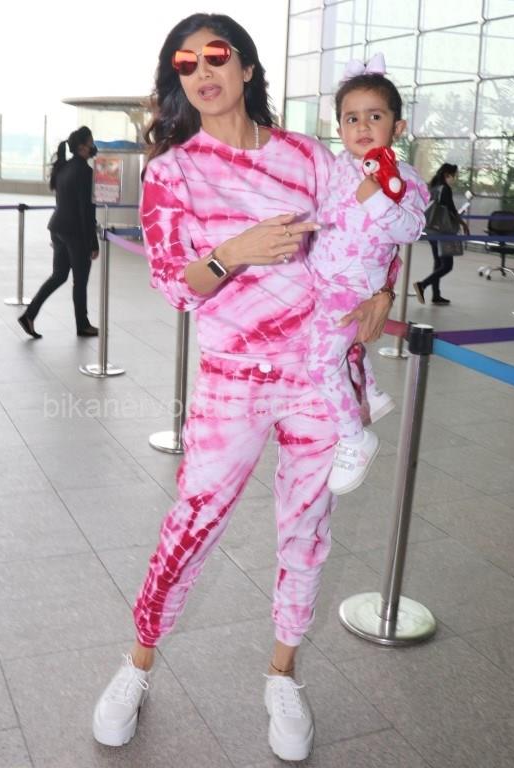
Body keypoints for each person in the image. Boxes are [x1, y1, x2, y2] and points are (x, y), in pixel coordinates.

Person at [91, 14, 395, 763]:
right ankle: (137, 662)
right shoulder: (174, 172)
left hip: (316, 376)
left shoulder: (308, 158)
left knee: (306, 528)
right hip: (232, 380)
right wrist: (235, 252)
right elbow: (173, 285)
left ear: (247, 67)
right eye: (185, 62)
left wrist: (384, 292)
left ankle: (282, 675)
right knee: (192, 522)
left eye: (216, 55)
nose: (202, 71)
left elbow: (373, 225)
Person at [306, 55, 428, 495]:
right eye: (351, 118)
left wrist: (375, 199)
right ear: (339, 128)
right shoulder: (339, 165)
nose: (362, 126)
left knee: (320, 363)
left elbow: (411, 230)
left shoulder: (403, 178)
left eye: (374, 116)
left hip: (355, 284)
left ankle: (355, 438)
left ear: (398, 126)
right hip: (323, 276)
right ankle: (371, 392)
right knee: (338, 348)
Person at [18, 126, 100, 339]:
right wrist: (93, 242)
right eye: (90, 142)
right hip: (74, 232)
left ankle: (29, 315)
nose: (93, 146)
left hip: (58, 228)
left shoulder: (64, 167)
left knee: (59, 276)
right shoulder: (84, 172)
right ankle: (83, 325)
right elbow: (85, 210)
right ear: (82, 147)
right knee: (79, 280)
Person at [413, 163, 469, 306]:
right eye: (453, 175)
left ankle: (436, 295)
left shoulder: (433, 187)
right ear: (447, 175)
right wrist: (463, 224)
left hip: (431, 229)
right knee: (447, 265)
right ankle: (422, 285)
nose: (454, 178)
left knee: (438, 263)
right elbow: (451, 210)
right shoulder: (445, 189)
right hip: (443, 231)